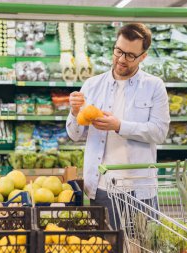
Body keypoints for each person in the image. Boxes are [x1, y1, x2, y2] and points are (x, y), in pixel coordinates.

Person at [66, 23, 170, 229]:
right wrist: (74, 112)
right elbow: (74, 135)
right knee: (105, 245)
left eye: (130, 55)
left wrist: (119, 126)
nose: (121, 59)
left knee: (145, 245)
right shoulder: (92, 85)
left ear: (143, 56)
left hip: (141, 187)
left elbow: (159, 132)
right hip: (102, 187)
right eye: (118, 51)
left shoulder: (154, 86)